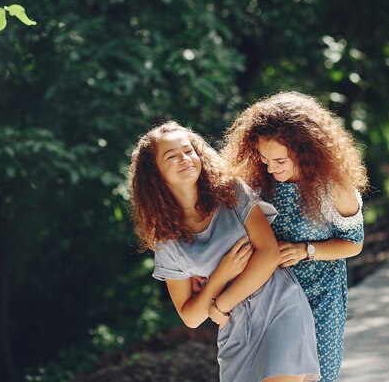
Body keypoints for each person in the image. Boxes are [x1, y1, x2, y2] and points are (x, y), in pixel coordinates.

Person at [129, 121, 320, 382]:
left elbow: (268, 254)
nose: (185, 159)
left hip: (279, 305)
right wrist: (220, 276)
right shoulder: (167, 242)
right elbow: (191, 317)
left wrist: (220, 304)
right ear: (155, 173)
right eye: (172, 156)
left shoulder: (231, 192)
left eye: (188, 151)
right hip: (235, 328)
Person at [220, 91, 367, 382]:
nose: (271, 168)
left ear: (306, 149)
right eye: (263, 159)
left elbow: (354, 244)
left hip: (320, 298)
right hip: (269, 299)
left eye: (279, 160)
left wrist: (306, 250)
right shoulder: (258, 181)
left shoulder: (334, 185)